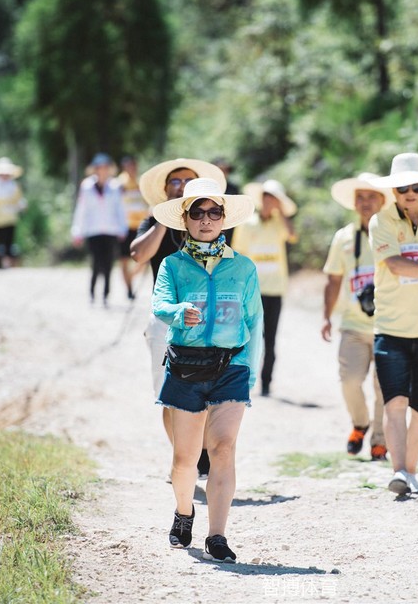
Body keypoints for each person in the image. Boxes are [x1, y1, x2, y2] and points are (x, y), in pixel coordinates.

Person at [150, 177, 261, 564]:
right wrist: (179, 313)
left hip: (231, 366)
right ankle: (184, 512)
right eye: (197, 212)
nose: (206, 219)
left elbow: (254, 323)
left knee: (224, 448)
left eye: (214, 212)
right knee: (185, 458)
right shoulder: (173, 265)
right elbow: (160, 305)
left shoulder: (243, 267)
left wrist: (251, 370)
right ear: (185, 218)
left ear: (225, 218)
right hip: (186, 365)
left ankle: (217, 535)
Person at [131, 158, 227, 477]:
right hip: (165, 321)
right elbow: (138, 255)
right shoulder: (152, 221)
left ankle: (197, 451)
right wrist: (165, 217)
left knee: (208, 392)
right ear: (165, 189)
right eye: (175, 181)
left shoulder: (208, 220)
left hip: (205, 321)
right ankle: (183, 459)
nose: (181, 185)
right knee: (169, 398)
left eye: (188, 181)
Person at [365, 153, 418, 496]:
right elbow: (396, 265)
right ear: (394, 191)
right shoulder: (380, 220)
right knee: (395, 404)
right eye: (403, 187)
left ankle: (411, 470)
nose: (411, 192)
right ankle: (399, 471)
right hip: (391, 329)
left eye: (417, 186)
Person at [321, 173, 390, 461]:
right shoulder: (344, 237)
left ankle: (379, 439)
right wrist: (326, 317)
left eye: (371, 196)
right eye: (360, 197)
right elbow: (333, 279)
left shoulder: (392, 232)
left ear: (382, 200)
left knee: (384, 386)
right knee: (349, 380)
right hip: (352, 325)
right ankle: (360, 423)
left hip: (389, 325)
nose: (365, 203)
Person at [232, 178, 298, 396]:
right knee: (248, 336)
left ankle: (266, 382)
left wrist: (283, 213)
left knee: (270, 339)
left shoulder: (280, 223)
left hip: (275, 290)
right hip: (251, 290)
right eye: (266, 197)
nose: (269, 202)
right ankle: (243, 377)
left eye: (274, 198)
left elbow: (292, 236)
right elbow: (238, 253)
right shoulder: (247, 223)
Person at [71, 153, 128, 307]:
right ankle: (92, 292)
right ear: (95, 170)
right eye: (99, 168)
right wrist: (77, 231)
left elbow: (120, 209)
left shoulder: (115, 186)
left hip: (111, 230)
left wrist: (123, 228)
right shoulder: (87, 186)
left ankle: (105, 295)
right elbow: (82, 210)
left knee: (109, 263)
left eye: (105, 168)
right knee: (96, 262)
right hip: (93, 230)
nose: (102, 171)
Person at [114, 155, 150, 301]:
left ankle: (129, 278)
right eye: (130, 166)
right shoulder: (118, 184)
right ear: (125, 167)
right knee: (124, 260)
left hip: (140, 226)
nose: (133, 169)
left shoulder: (140, 183)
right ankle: (129, 289)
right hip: (124, 227)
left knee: (143, 260)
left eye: (134, 166)